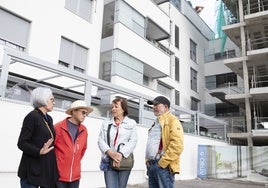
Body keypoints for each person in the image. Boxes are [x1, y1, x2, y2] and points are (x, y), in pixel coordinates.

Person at [17, 87, 58, 188]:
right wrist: (39, 151)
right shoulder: (32, 117)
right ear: (42, 99)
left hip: (44, 171)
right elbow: (22, 142)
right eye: (52, 100)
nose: (54, 103)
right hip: (31, 172)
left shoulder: (49, 119)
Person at [98, 97, 138, 188]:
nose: (113, 109)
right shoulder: (106, 123)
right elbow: (100, 140)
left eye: (116, 106)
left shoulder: (131, 123)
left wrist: (120, 154)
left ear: (123, 109)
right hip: (109, 161)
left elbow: (133, 141)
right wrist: (110, 153)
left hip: (124, 161)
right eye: (112, 107)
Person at [145, 96, 184, 188]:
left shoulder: (173, 121)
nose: (154, 107)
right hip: (152, 164)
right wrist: (147, 160)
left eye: (156, 104)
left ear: (166, 107)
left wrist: (162, 163)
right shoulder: (155, 123)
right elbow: (151, 143)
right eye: (153, 105)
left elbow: (177, 146)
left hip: (163, 166)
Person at [54, 100, 93, 188]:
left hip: (75, 176)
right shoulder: (58, 127)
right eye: (83, 112)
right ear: (74, 111)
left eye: (86, 113)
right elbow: (50, 148)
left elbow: (83, 149)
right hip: (58, 175)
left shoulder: (84, 130)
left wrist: (74, 160)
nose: (85, 115)